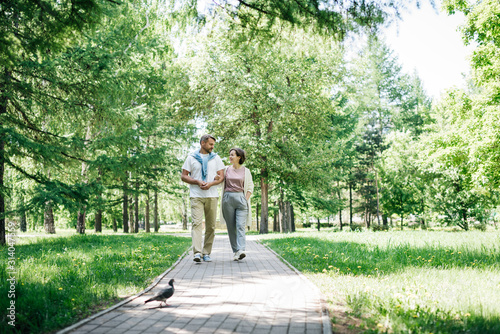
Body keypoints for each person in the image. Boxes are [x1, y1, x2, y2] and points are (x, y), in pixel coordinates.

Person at [181, 134, 225, 263]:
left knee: (211, 226)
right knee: (196, 224)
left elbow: (221, 176)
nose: (212, 147)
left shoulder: (216, 158)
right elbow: (184, 176)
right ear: (202, 143)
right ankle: (197, 252)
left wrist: (211, 184)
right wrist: (197, 181)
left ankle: (206, 253)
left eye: (213, 145)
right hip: (196, 195)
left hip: (212, 195)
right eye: (210, 144)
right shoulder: (191, 158)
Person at [219, 148, 254, 261]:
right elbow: (219, 180)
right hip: (227, 199)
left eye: (232, 155)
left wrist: (245, 199)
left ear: (239, 157)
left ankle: (241, 249)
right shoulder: (225, 169)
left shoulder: (246, 171)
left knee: (240, 226)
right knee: (231, 227)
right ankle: (236, 251)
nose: (230, 157)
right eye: (230, 155)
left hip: (241, 199)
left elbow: (250, 187)